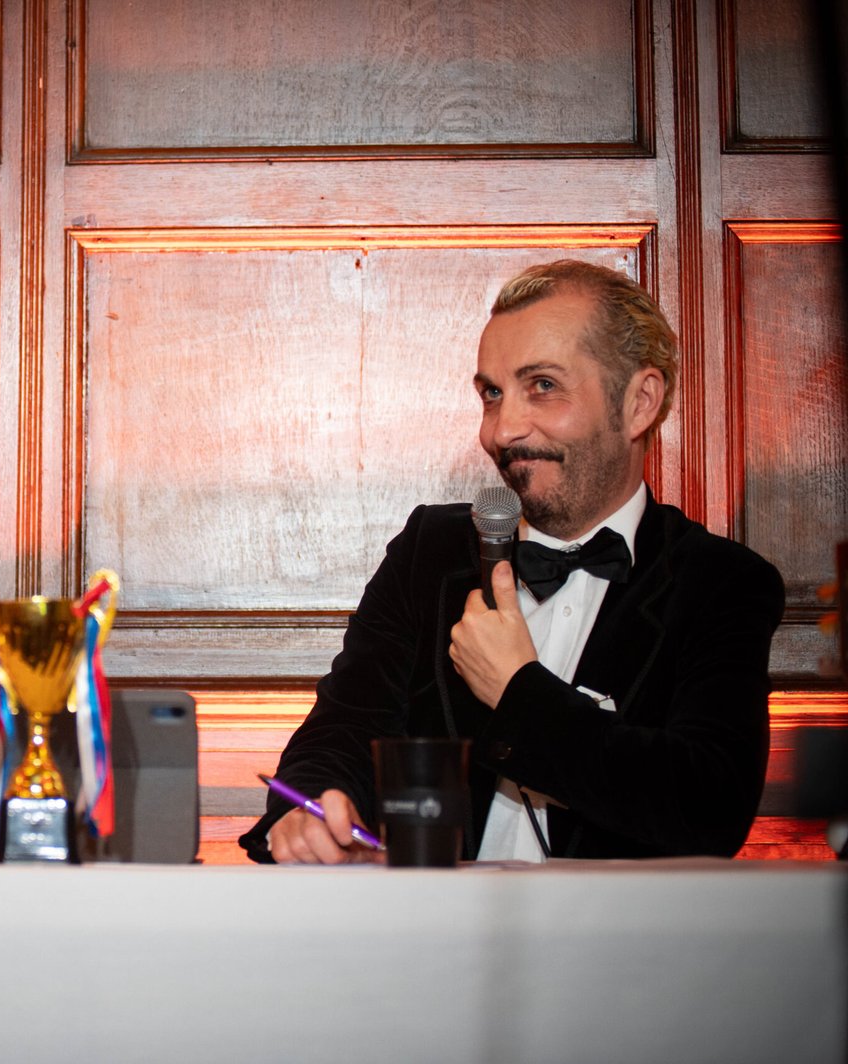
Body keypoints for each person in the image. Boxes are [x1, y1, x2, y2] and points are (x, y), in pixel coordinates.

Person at [241, 260, 784, 864]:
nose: (503, 429)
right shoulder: (430, 550)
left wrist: (518, 691)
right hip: (431, 940)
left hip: (620, 949)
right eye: (492, 394)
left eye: (543, 386)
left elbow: (710, 809)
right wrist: (308, 808)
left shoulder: (721, 582)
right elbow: (340, 730)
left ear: (640, 403)